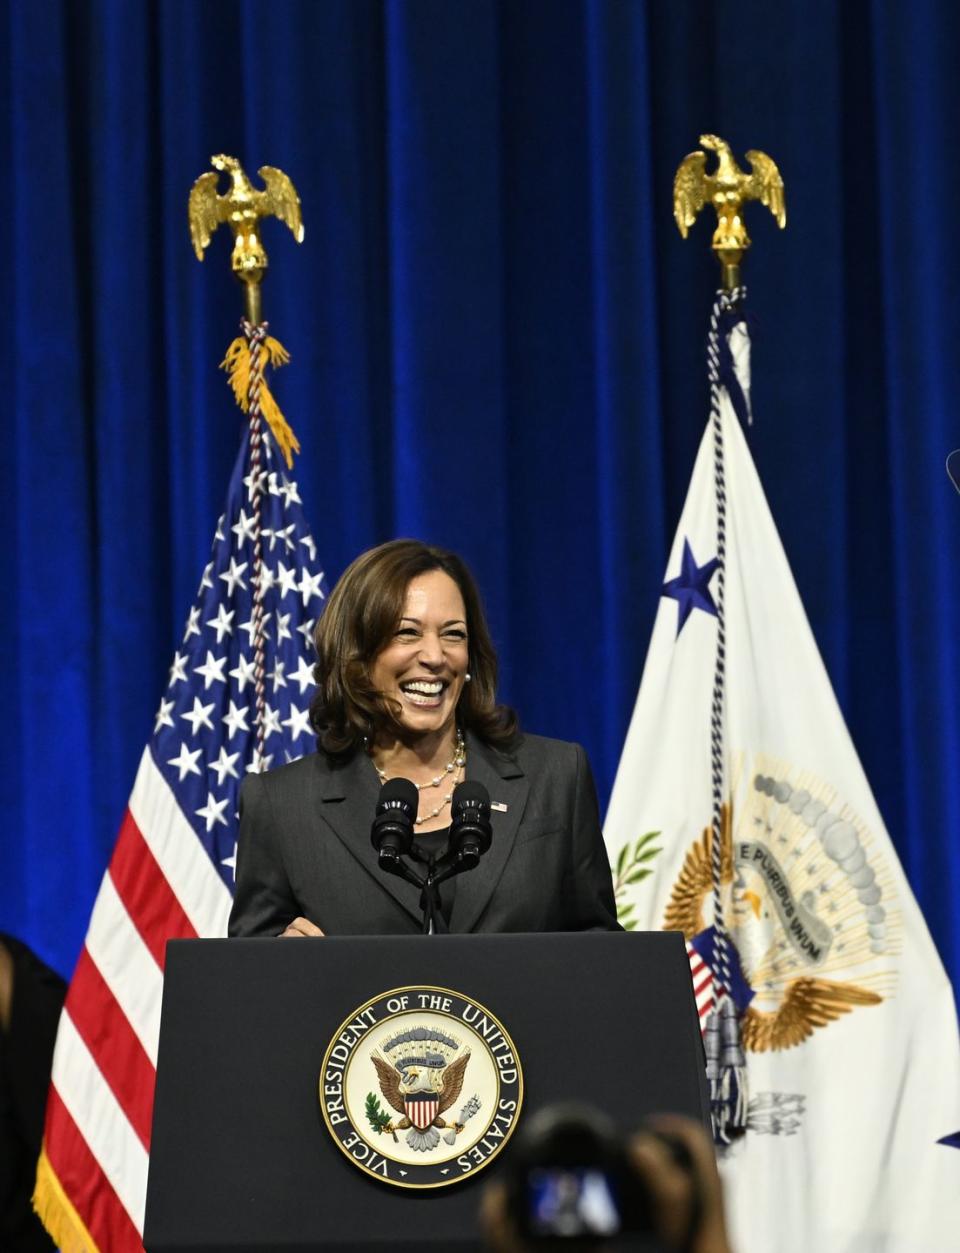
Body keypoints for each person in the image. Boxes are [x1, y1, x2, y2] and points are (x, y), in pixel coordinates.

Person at [229, 539, 619, 937]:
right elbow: (247, 979)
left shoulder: (554, 776)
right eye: (407, 632)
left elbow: (600, 952)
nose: (434, 656)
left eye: (453, 635)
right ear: (357, 656)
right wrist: (279, 967)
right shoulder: (281, 806)